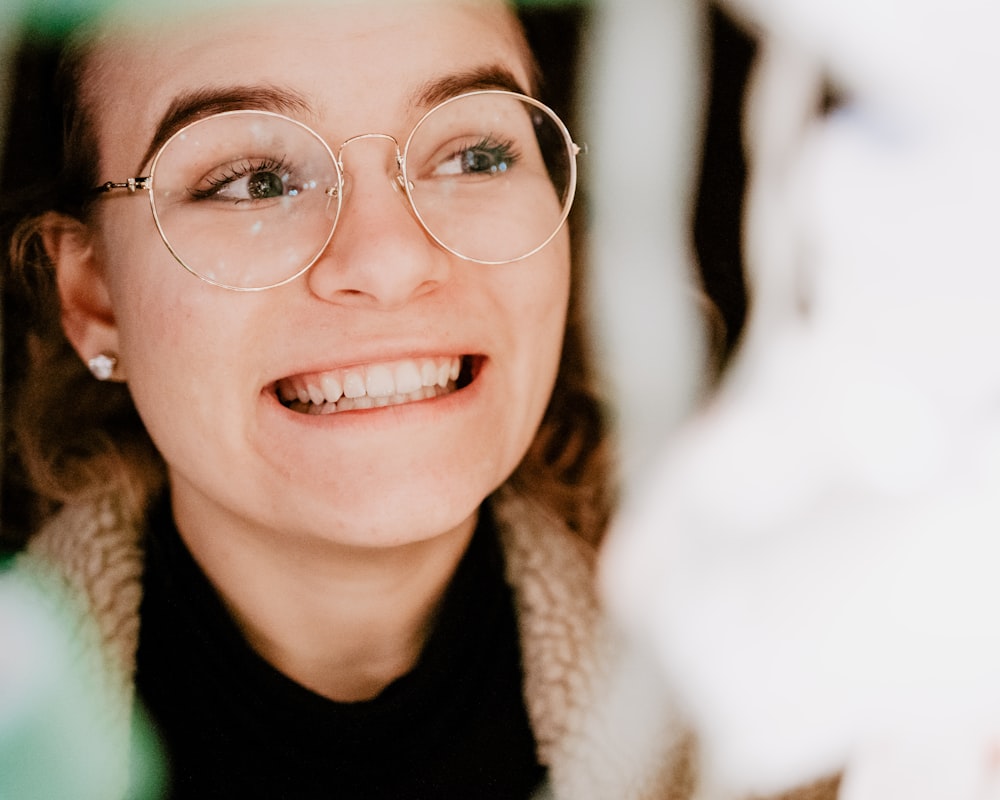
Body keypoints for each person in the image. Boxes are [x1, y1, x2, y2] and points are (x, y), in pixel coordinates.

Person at [0, 1, 686, 797]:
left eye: (473, 156)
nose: (390, 261)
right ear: (93, 295)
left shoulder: (823, 729)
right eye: (254, 182)